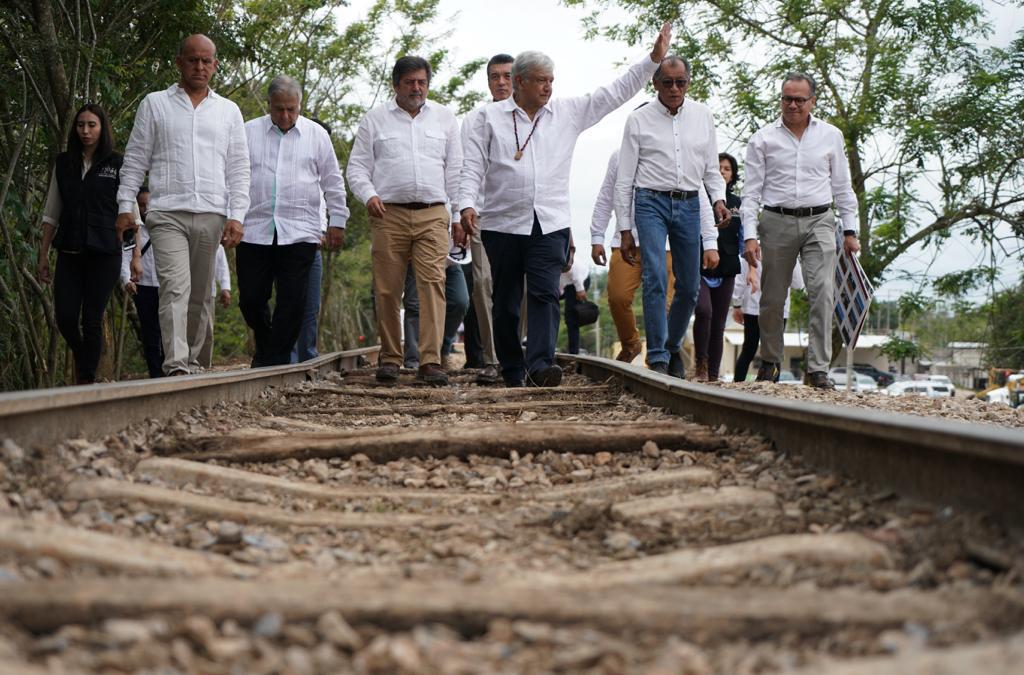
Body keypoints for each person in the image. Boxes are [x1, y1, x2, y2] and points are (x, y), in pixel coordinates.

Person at [460, 23, 673, 388]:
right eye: (541, 80)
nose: (548, 87)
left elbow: (614, 93)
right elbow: (471, 166)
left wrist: (652, 61)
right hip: (502, 224)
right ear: (520, 82)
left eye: (552, 80)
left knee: (545, 294)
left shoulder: (567, 113)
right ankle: (512, 368)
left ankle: (541, 366)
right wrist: (465, 204)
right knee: (507, 302)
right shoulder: (485, 118)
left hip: (550, 223)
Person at [115, 34, 250, 376]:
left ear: (215, 65)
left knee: (201, 295)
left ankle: (196, 363)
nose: (200, 66)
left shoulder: (228, 111)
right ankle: (176, 365)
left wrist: (237, 216)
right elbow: (134, 160)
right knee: (174, 287)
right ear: (179, 62)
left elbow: (238, 168)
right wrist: (124, 205)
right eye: (193, 60)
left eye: (206, 61)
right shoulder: (155, 104)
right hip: (166, 212)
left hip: (211, 214)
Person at [348, 55, 462, 386]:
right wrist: (369, 195)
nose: (416, 88)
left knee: (432, 287)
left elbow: (454, 169)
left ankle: (429, 360)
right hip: (389, 214)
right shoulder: (375, 120)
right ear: (396, 84)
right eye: (410, 82)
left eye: (422, 82)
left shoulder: (444, 118)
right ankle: (390, 358)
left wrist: (455, 213)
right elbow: (356, 167)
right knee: (387, 290)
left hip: (432, 213)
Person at [741, 72, 860, 388]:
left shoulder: (830, 136)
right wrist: (749, 235)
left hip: (820, 219)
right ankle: (770, 363)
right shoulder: (763, 138)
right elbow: (751, 192)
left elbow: (842, 186)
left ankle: (818, 368)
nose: (792, 105)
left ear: (812, 101)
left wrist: (850, 231)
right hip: (776, 220)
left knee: (822, 290)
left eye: (799, 99)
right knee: (772, 297)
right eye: (786, 98)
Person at [615, 54, 729, 379]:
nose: (675, 89)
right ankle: (659, 356)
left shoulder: (703, 116)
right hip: (650, 201)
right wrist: (625, 229)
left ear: (688, 83)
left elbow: (710, 169)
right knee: (654, 276)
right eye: (668, 82)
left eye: (681, 82)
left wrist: (718, 199)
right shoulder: (638, 120)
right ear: (655, 83)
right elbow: (625, 178)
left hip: (690, 203)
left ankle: (672, 343)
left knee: (691, 285)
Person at [239, 75, 348, 367]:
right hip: (254, 230)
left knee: (292, 304)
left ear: (300, 105)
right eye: (279, 109)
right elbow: (235, 178)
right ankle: (267, 347)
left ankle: (273, 363)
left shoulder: (316, 135)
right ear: (269, 105)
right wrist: (232, 218)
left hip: (300, 231)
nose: (285, 116)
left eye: (291, 109)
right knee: (250, 299)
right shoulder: (248, 132)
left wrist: (337, 220)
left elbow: (332, 181)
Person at [37, 103, 136, 385]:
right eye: (81, 125)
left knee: (92, 319)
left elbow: (132, 215)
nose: (85, 131)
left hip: (105, 252)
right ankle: (85, 358)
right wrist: (43, 254)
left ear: (102, 128)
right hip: (69, 249)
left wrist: (136, 255)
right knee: (66, 317)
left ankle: (87, 382)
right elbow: (51, 212)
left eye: (92, 125)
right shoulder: (64, 163)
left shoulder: (117, 163)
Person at [590, 148, 676, 364]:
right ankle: (631, 344)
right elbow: (605, 197)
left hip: (665, 243)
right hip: (626, 242)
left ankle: (659, 356)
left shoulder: (672, 151)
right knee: (618, 296)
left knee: (665, 304)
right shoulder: (619, 156)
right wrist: (597, 236)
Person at [459, 53, 515, 384]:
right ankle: (493, 359)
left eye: (507, 75)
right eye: (495, 76)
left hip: (524, 218)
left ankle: (515, 354)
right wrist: (462, 210)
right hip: (483, 215)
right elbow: (465, 168)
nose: (501, 82)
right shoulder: (475, 119)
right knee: (482, 285)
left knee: (518, 288)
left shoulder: (532, 117)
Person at [692, 152, 743, 381]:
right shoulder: (697, 198)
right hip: (700, 265)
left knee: (719, 325)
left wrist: (751, 266)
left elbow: (742, 237)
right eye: (718, 168)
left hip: (728, 267)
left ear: (732, 176)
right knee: (704, 312)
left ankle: (712, 375)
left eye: (727, 169)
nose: (722, 172)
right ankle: (700, 363)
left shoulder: (736, 203)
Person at [291, 117, 337, 364]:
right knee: (289, 301)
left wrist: (325, 230)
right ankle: (288, 356)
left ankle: (307, 356)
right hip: (288, 242)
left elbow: (329, 202)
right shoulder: (297, 168)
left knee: (311, 304)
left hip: (313, 243)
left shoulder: (327, 176)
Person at [732, 256, 804, 382]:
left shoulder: (752, 249)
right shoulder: (790, 251)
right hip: (779, 308)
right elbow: (798, 283)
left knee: (748, 350)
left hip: (754, 307)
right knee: (774, 352)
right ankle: (772, 387)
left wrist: (737, 304)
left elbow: (740, 281)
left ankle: (737, 383)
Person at [121, 188, 164, 378]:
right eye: (141, 205)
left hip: (165, 287)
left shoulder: (167, 228)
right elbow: (125, 255)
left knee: (167, 330)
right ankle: (155, 373)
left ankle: (170, 369)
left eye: (149, 204)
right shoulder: (132, 231)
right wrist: (126, 279)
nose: (146, 209)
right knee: (150, 332)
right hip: (143, 286)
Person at [198, 246, 231, 369]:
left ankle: (204, 365)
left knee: (207, 330)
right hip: (185, 292)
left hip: (208, 292)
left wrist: (225, 288)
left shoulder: (217, 244)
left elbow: (222, 267)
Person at [560, 253, 590, 355]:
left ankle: (574, 352)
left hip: (578, 281)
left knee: (571, 318)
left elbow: (574, 269)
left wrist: (580, 289)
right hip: (566, 284)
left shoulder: (561, 254)